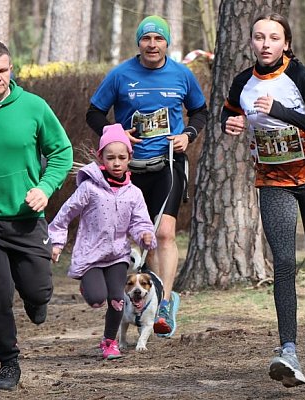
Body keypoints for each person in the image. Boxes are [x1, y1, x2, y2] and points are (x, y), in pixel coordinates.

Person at [222, 12, 305, 388]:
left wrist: (284, 113)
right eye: (259, 37)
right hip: (272, 181)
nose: (265, 44)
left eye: (273, 37)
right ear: (251, 42)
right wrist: (230, 123)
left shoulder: (300, 77)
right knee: (284, 261)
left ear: (285, 43)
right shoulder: (242, 82)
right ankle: (289, 351)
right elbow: (229, 112)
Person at [86, 15, 208, 338]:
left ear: (167, 43)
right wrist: (114, 132)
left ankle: (166, 305)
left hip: (168, 163)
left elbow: (200, 111)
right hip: (130, 169)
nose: (152, 45)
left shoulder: (182, 74)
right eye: (146, 39)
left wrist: (189, 134)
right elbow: (93, 112)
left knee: (165, 232)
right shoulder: (120, 75)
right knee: (144, 239)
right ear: (138, 43)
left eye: (158, 39)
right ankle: (153, 299)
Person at [0, 39, 73, 391]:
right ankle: (8, 364)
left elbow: (61, 152)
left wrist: (45, 188)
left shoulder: (33, 106)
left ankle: (35, 298)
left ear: (11, 70)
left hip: (26, 216)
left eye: (2, 70)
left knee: (38, 289)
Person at [47, 124, 156, 360]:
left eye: (122, 157)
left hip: (118, 255)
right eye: (111, 158)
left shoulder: (133, 193)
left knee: (117, 299)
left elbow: (140, 222)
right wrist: (56, 242)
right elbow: (64, 215)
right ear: (101, 158)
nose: (116, 163)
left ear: (129, 158)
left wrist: (145, 235)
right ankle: (89, 286)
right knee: (98, 299)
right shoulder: (89, 188)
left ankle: (109, 342)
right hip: (91, 255)